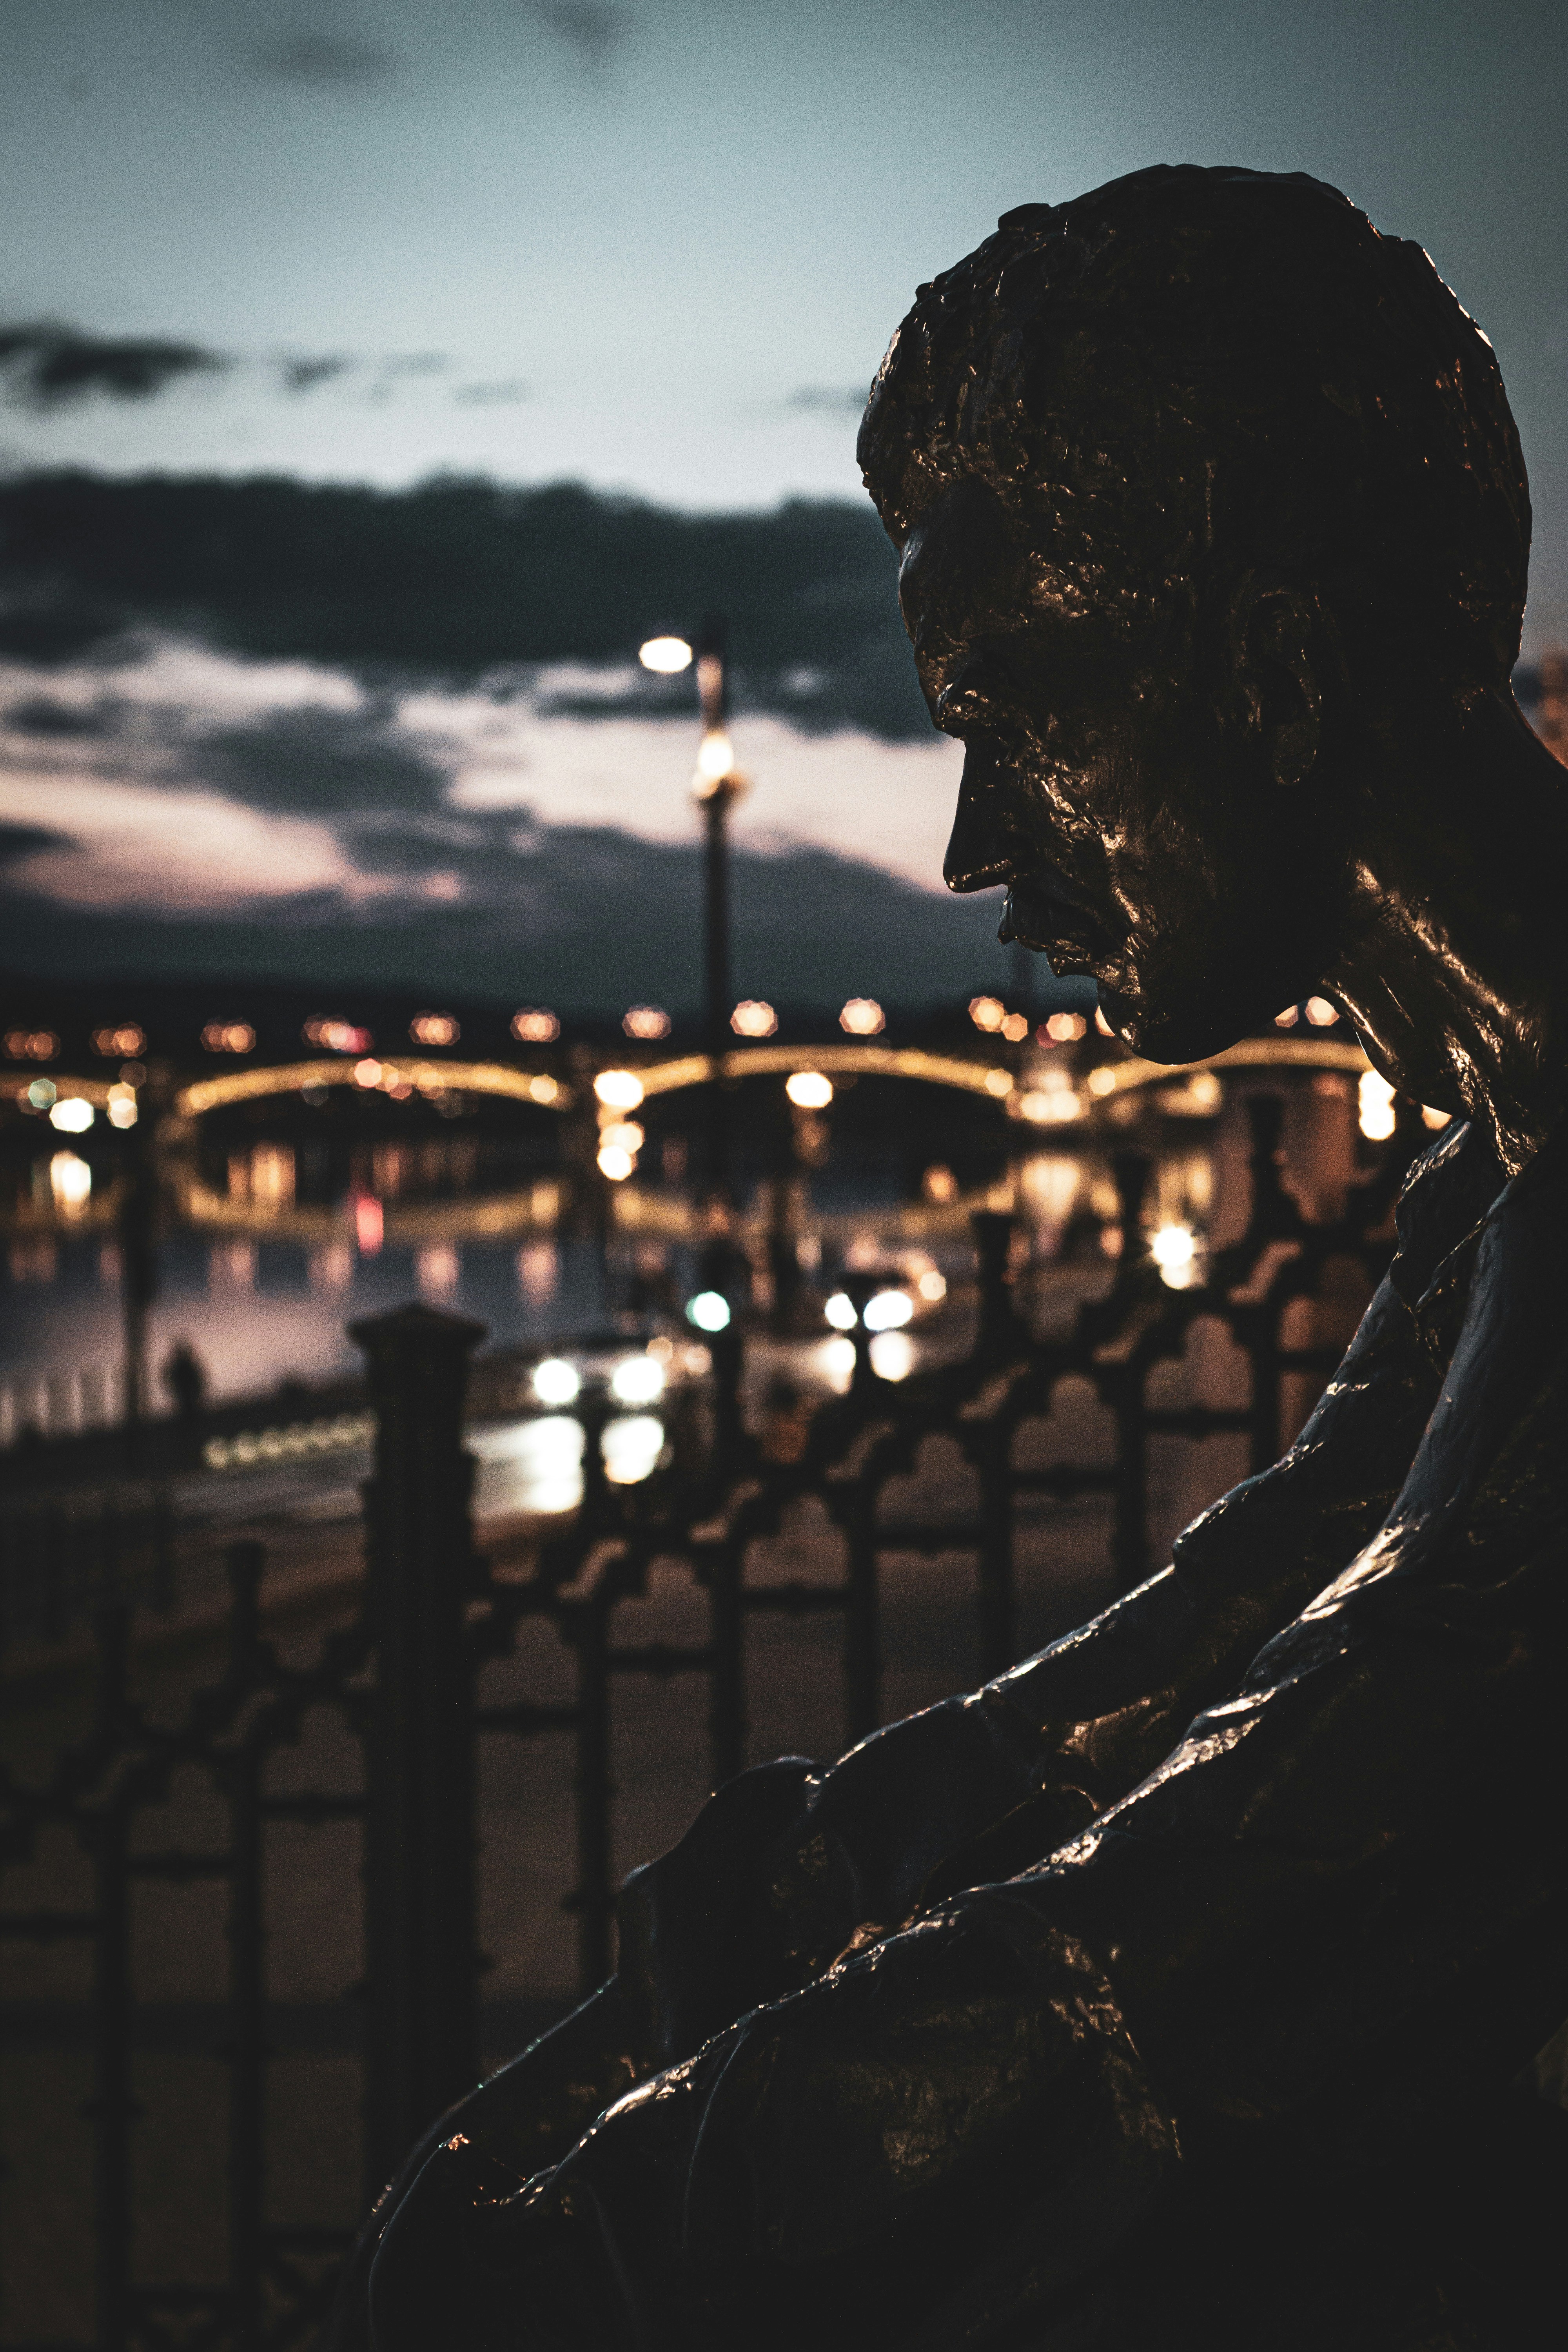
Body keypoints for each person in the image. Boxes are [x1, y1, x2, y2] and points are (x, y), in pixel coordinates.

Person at [334, 167, 1567, 2350]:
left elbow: (1305, 1856)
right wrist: (794, 1886)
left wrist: (597, 2243)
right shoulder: (1502, 1156)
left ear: (1272, 674)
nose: (978, 846)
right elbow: (1268, 1602)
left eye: (1013, 714)